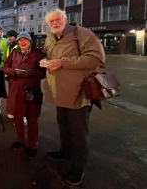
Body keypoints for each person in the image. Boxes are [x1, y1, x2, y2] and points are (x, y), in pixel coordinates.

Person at [43, 9, 105, 186]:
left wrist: (63, 62)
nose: (54, 23)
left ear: (65, 19)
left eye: (57, 20)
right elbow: (49, 56)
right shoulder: (49, 38)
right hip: (58, 91)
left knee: (78, 131)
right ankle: (65, 152)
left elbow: (97, 58)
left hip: (78, 92)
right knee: (63, 124)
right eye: (51, 22)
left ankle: (78, 167)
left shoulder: (82, 34)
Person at [3, 32, 46, 158]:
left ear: (29, 41)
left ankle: (33, 144)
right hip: (16, 91)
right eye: (20, 40)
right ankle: (21, 139)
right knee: (18, 117)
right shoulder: (14, 53)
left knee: (32, 119)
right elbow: (5, 67)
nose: (22, 42)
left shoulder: (38, 54)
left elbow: (43, 72)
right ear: (17, 42)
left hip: (32, 90)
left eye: (25, 39)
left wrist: (31, 73)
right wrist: (14, 72)